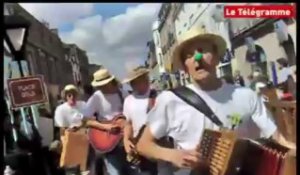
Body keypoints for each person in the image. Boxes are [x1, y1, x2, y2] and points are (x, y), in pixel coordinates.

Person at [135, 26, 296, 175]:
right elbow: (143, 145)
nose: (197, 58)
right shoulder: (170, 99)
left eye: (202, 50)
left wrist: (293, 150)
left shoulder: (246, 95)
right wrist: (173, 155)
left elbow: (277, 138)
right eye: (189, 55)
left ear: (217, 58)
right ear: (185, 67)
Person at [122, 66, 173, 175]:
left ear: (146, 78)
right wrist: (126, 140)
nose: (136, 84)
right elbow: (128, 124)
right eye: (133, 82)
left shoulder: (159, 96)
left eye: (140, 80)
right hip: (140, 149)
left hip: (160, 146)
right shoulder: (128, 100)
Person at [82, 68, 129, 175]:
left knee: (131, 171)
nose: (100, 87)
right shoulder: (96, 97)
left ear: (110, 82)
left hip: (126, 139)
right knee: (116, 172)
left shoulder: (123, 94)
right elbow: (85, 121)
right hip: (108, 140)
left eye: (102, 84)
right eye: (99, 85)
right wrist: (106, 127)